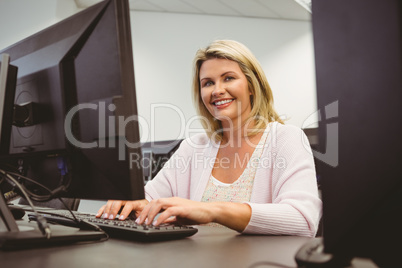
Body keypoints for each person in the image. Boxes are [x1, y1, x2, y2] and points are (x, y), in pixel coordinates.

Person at [96, 40, 322, 237]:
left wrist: (211, 210)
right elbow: (150, 197)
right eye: (208, 83)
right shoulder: (195, 147)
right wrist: (128, 201)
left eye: (229, 78)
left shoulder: (285, 138)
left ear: (252, 86)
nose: (217, 90)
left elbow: (303, 219)